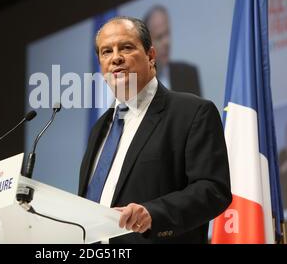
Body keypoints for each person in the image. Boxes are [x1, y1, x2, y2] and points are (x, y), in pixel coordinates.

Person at [79, 16, 232, 243]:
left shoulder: (191, 113)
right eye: (106, 52)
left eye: (126, 47)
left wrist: (153, 213)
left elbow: (213, 190)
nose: (116, 58)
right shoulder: (100, 129)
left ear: (151, 56)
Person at [144, 6, 202, 96]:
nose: (167, 42)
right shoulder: (137, 84)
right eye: (159, 37)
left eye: (167, 33)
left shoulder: (188, 74)